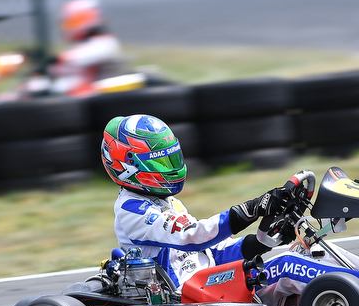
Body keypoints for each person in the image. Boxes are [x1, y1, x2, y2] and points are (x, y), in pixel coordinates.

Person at [102, 114, 288, 288]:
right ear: (128, 166)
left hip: (213, 282)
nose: (170, 169)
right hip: (188, 294)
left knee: (292, 262)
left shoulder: (168, 202)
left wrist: (263, 241)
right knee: (290, 268)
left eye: (171, 159)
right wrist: (252, 209)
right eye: (160, 163)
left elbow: (213, 250)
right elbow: (192, 236)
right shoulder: (131, 209)